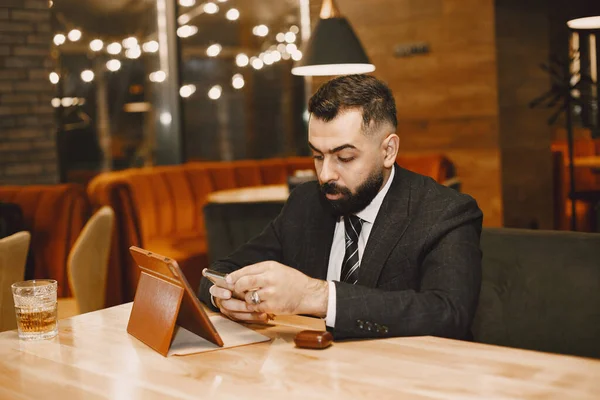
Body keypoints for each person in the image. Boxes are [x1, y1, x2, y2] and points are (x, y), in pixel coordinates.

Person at [198, 74, 483, 340]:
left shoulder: (444, 211)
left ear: (388, 151)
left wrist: (317, 296)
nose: (325, 175)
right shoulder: (306, 203)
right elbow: (221, 271)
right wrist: (225, 298)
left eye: (344, 157)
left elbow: (448, 314)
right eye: (317, 156)